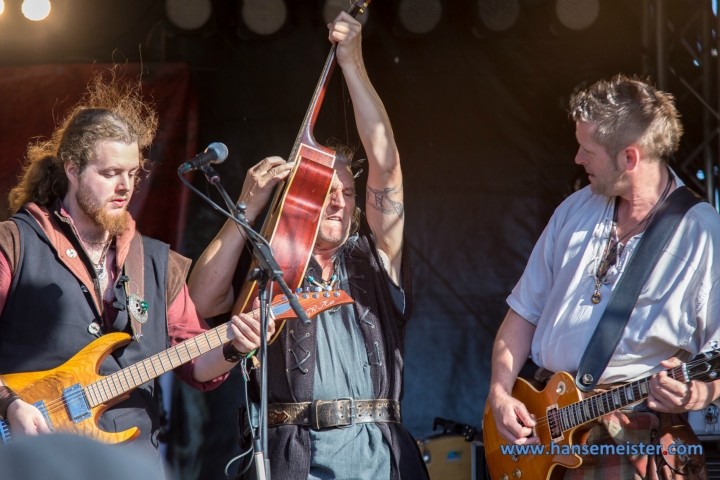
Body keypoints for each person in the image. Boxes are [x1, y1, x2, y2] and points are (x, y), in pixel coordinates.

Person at [187, 12, 428, 480]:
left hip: (381, 462)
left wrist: (353, 64)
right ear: (299, 198)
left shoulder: (375, 258)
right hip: (293, 463)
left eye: (348, 193)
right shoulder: (270, 263)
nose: (339, 203)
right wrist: (245, 209)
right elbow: (200, 299)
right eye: (325, 193)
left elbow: (386, 162)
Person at [0, 72, 274, 474]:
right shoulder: (15, 242)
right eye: (110, 173)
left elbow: (196, 364)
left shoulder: (156, 262)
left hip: (132, 461)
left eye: (132, 173)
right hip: (38, 459)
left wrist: (236, 346)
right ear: (72, 170)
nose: (125, 186)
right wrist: (10, 404)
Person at [487, 74, 720, 478]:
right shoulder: (574, 210)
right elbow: (523, 313)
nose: (577, 159)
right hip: (550, 436)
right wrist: (499, 392)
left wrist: (700, 393)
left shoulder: (701, 232)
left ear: (629, 158)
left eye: (587, 149)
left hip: (636, 440)